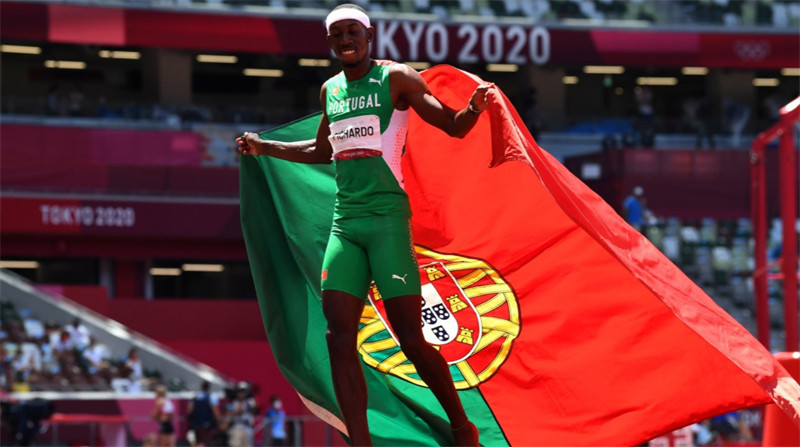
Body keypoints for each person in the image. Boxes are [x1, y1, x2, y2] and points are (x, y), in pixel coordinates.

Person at [237, 4, 486, 446]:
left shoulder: (397, 78)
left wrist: (473, 108)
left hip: (387, 223)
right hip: (346, 225)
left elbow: (452, 125)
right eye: (337, 35)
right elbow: (322, 151)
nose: (346, 40)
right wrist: (264, 147)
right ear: (330, 42)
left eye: (353, 32)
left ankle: (461, 427)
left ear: (370, 35)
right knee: (338, 337)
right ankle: (360, 441)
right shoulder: (330, 89)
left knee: (410, 337)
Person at [187, 381, 221, 447]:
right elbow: (215, 410)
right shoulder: (211, 396)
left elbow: (189, 409)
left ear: (201, 387)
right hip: (207, 424)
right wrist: (218, 420)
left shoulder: (195, 396)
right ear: (209, 388)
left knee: (197, 441)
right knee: (204, 442)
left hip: (196, 424)